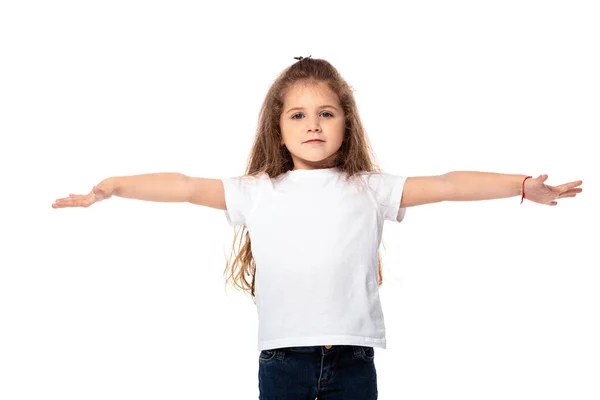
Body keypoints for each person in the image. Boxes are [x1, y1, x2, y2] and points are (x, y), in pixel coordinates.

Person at [52, 56, 583, 400]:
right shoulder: (256, 190)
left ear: (345, 124)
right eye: (299, 116)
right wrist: (113, 186)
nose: (313, 125)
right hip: (282, 361)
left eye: (326, 114)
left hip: (353, 362)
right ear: (279, 131)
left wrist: (520, 184)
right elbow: (186, 186)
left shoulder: (369, 187)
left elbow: (446, 183)